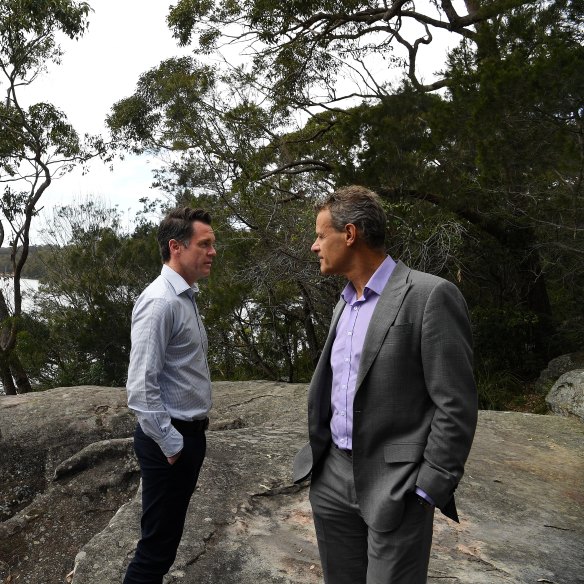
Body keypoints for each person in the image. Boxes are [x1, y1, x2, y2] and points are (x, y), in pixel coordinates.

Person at [293, 186, 478, 584]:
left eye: (320, 235)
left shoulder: (430, 296)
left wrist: (429, 487)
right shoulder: (344, 302)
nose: (314, 246)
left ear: (350, 234)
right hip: (333, 477)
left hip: (397, 484)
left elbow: (456, 404)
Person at [123, 207, 217, 584]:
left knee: (165, 541)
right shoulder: (160, 301)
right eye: (205, 244)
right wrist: (172, 444)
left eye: (213, 244)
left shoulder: (185, 297)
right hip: (170, 442)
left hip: (187, 436)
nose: (213, 251)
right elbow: (140, 387)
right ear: (176, 247)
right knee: (155, 549)